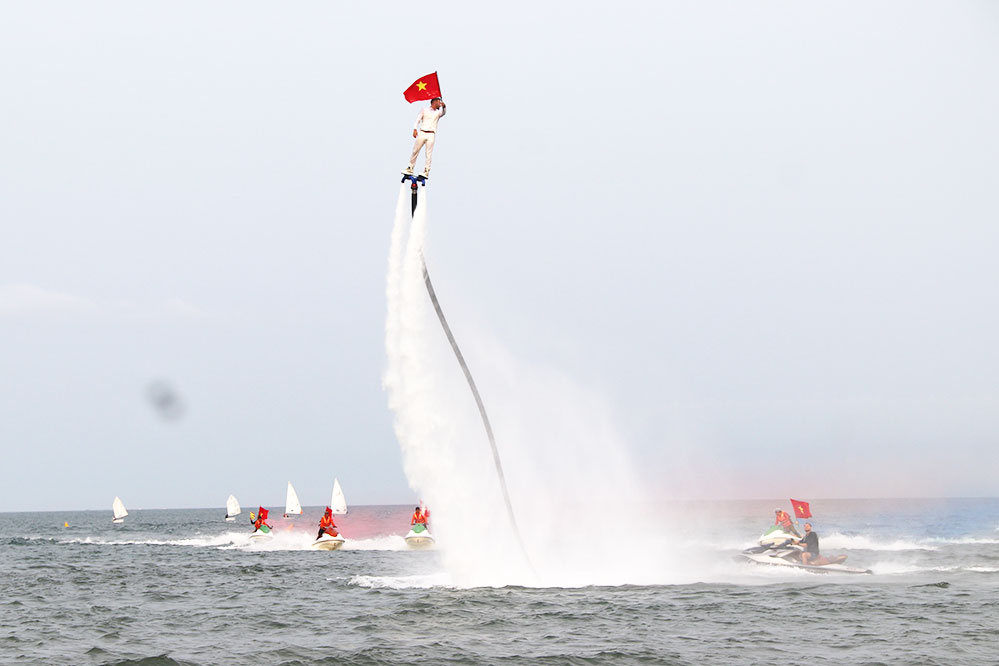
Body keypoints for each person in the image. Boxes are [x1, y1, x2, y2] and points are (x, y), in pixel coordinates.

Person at [403, 97, 446, 178]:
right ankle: (410, 167)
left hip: (431, 134)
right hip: (422, 132)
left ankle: (426, 170)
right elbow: (418, 120)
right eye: (438, 101)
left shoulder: (438, 113)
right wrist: (415, 129)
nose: (440, 103)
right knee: (415, 150)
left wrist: (444, 107)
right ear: (434, 102)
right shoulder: (424, 110)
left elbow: (443, 112)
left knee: (428, 153)